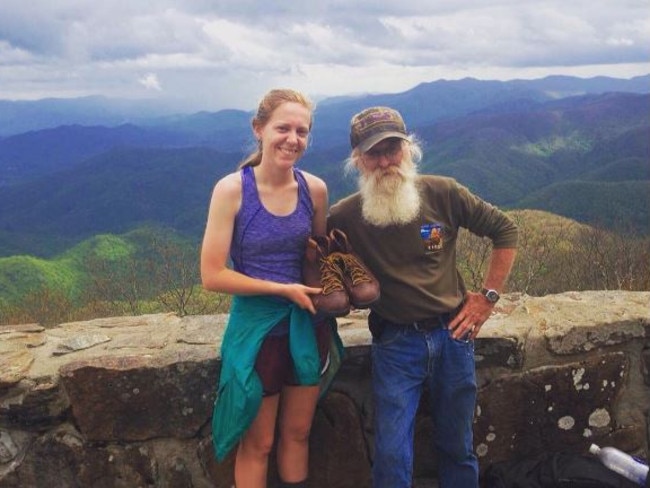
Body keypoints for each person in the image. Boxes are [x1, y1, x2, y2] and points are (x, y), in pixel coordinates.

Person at [327, 106, 519, 488]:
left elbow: (505, 230)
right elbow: (321, 262)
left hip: (454, 335)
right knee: (392, 452)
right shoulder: (343, 217)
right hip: (396, 342)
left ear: (408, 148)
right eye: (373, 153)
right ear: (358, 161)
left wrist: (488, 297)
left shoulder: (443, 193)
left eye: (392, 149)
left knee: (457, 445)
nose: (384, 161)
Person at [201, 88, 342, 488]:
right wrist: (281, 290)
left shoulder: (314, 190)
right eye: (283, 128)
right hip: (258, 333)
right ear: (259, 128)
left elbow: (316, 257)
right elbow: (212, 275)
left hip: (307, 327)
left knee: (298, 434)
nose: (292, 139)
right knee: (258, 443)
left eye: (302, 131)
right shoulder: (232, 190)